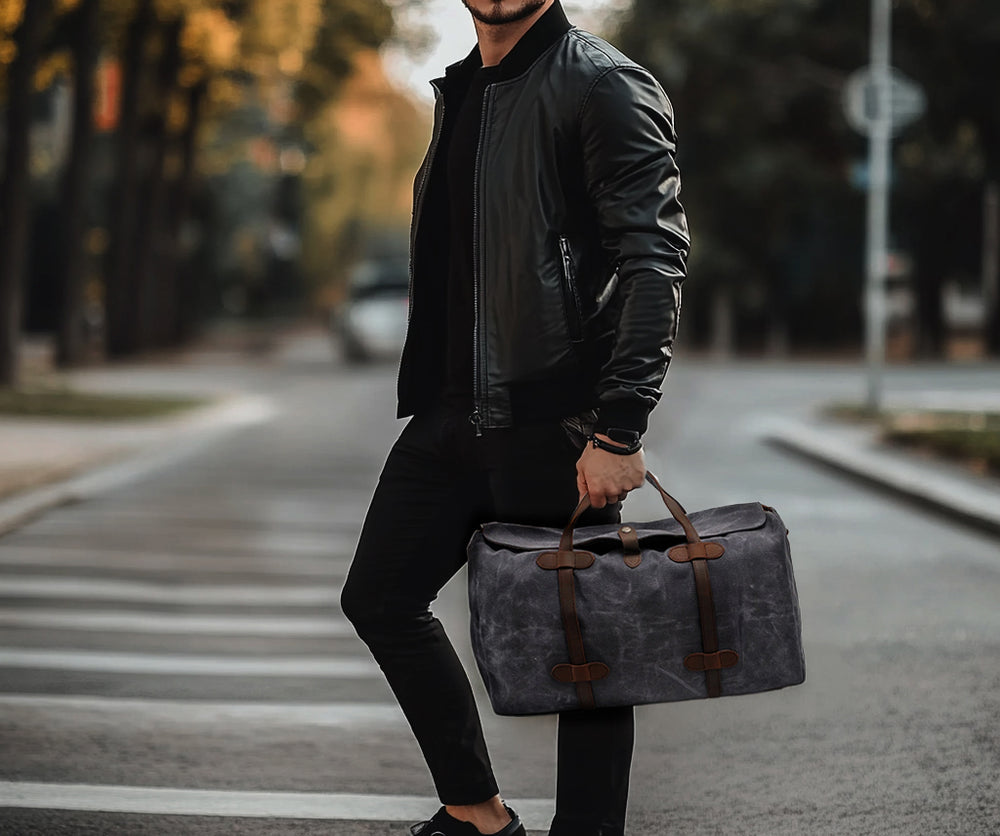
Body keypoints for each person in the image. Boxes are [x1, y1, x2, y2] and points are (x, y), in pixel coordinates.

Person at [340, 1, 689, 833]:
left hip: (558, 424)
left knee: (588, 658)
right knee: (380, 599)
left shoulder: (600, 83)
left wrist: (619, 430)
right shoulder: (466, 87)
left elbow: (655, 260)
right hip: (452, 418)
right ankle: (477, 814)